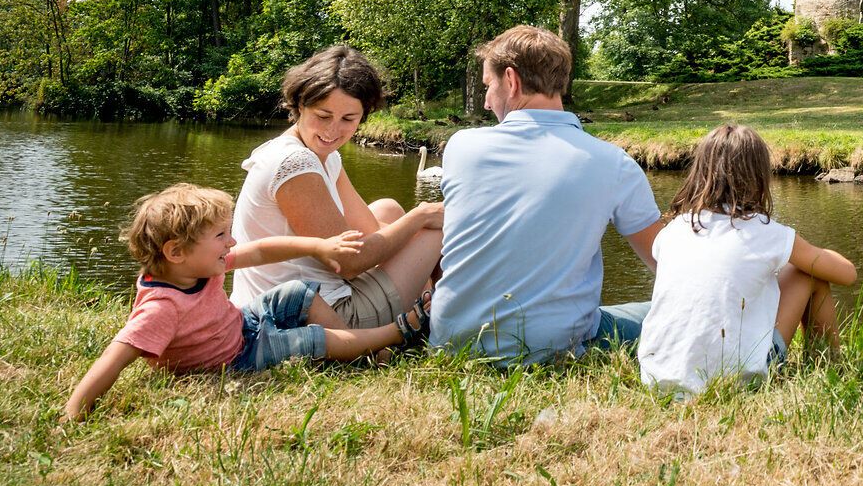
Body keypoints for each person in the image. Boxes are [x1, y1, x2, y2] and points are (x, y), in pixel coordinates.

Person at [64, 184, 424, 420]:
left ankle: (360, 349)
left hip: (242, 324)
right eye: (221, 235)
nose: (231, 242)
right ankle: (395, 333)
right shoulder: (161, 308)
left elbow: (264, 250)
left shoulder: (197, 265)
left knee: (300, 291)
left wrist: (317, 246)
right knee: (313, 339)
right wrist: (74, 411)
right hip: (236, 357)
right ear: (175, 251)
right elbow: (114, 358)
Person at [430, 25, 662, 364]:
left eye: (487, 86)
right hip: (552, 349)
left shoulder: (461, 147)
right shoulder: (613, 163)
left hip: (452, 343)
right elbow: (667, 263)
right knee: (657, 309)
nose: (486, 99)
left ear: (511, 81)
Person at [233, 45, 445, 331]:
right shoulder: (295, 162)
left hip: (316, 295)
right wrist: (420, 216)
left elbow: (368, 229)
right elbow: (349, 263)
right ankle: (439, 313)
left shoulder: (325, 155)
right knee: (434, 230)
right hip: (312, 316)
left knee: (388, 208)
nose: (333, 131)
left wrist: (408, 230)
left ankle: (426, 305)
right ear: (298, 106)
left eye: (348, 119)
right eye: (323, 115)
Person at [637, 123, 856, 395]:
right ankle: (830, 368)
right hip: (737, 381)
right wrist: (813, 253)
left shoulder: (673, 230)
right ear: (759, 177)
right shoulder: (766, 231)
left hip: (656, 378)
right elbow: (848, 274)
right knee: (809, 273)